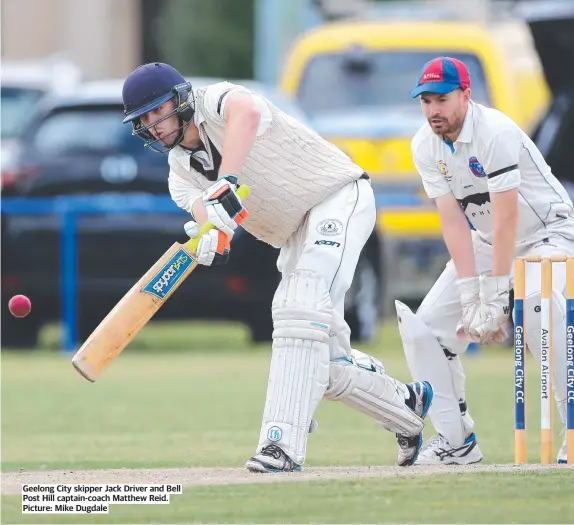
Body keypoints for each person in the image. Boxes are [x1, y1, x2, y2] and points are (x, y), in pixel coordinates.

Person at [120, 62, 434, 472]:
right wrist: (213, 235)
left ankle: (280, 446)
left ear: (179, 100)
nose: (153, 126)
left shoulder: (216, 101)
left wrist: (227, 178)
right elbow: (208, 215)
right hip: (294, 236)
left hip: (337, 198)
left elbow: (246, 114)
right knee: (323, 361)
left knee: (297, 310)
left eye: (156, 112)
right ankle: (407, 407)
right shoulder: (180, 173)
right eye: (143, 120)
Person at [398, 56, 574, 464]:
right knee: (426, 328)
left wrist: (494, 296)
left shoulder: (494, 132)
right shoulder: (424, 144)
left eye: (441, 99)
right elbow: (453, 222)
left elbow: (509, 215)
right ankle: (456, 440)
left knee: (537, 308)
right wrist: (469, 292)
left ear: (466, 95)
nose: (433, 110)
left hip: (549, 231)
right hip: (490, 238)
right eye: (425, 101)